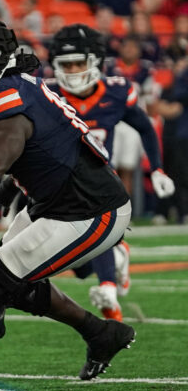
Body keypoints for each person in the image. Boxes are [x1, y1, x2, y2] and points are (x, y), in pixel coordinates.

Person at [0, 11, 136, 391]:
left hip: (88, 209)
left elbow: (3, 150)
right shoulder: (15, 83)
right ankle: (101, 333)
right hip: (59, 201)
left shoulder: (1, 93)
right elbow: (42, 146)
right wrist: (8, 185)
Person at [46, 24, 174, 321]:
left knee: (98, 230)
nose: (74, 70)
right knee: (78, 266)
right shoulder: (47, 94)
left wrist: (156, 169)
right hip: (59, 185)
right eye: (66, 64)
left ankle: (108, 293)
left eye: (79, 62)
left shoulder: (116, 92)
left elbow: (144, 126)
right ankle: (115, 259)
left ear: (95, 64)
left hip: (101, 180)